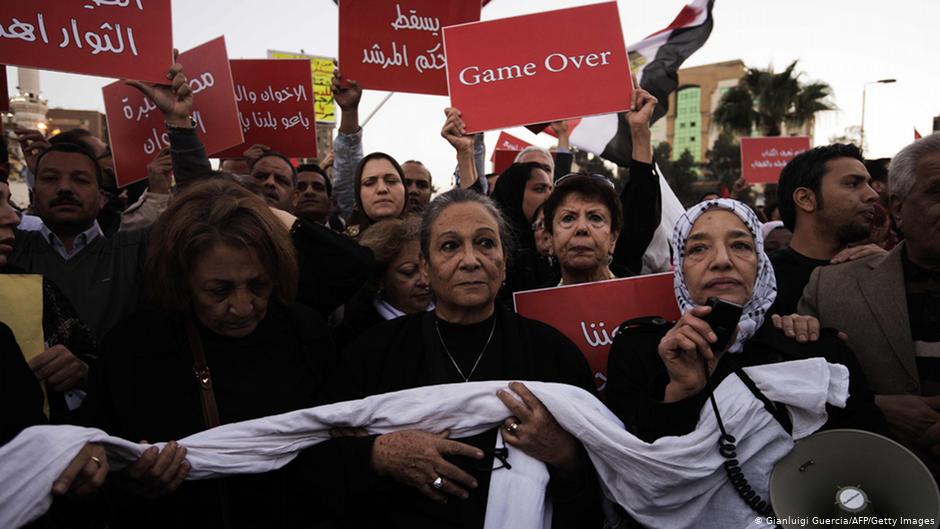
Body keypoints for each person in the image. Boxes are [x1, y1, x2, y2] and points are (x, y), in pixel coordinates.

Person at [80, 178, 345, 528]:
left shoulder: (304, 333)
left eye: (258, 284)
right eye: (219, 291)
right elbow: (91, 461)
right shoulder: (135, 347)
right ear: (181, 279)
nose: (243, 306)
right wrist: (130, 478)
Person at [334, 188, 602, 529]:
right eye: (450, 246)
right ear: (426, 268)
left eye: (486, 243)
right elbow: (323, 462)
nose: (471, 260)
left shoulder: (552, 354)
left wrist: (563, 454)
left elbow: (602, 474)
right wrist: (379, 454)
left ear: (504, 264)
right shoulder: (373, 353)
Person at [606, 197, 887, 443]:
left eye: (740, 245)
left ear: (760, 263)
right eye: (698, 249)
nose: (721, 261)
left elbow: (867, 459)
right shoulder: (639, 351)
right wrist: (680, 391)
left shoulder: (817, 350)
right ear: (680, 267)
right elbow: (634, 471)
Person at [799, 133, 940, 472]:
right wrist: (868, 406)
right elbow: (798, 389)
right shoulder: (830, 286)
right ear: (899, 208)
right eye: (937, 191)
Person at [1, 177, 98, 422]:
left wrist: (80, 370)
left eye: (8, 201)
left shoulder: (36, 289)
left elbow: (94, 364)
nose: (12, 218)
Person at [770, 143, 885, 315]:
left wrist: (892, 270)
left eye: (868, 184)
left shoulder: (879, 271)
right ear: (806, 199)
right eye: (853, 184)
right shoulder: (760, 279)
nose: (873, 195)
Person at [334, 216, 432, 349]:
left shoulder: (456, 313)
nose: (424, 280)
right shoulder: (358, 336)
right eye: (408, 272)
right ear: (379, 278)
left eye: (429, 268)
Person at [541, 174, 628, 285]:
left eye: (595, 218)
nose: (581, 228)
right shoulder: (533, 302)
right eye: (568, 218)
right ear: (549, 238)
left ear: (613, 239)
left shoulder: (645, 298)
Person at [344, 152, 407, 238]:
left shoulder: (426, 240)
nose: (382, 189)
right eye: (369, 183)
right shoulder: (341, 246)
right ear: (358, 194)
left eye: (391, 181)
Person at [293, 162, 342, 230]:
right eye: (300, 188)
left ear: (330, 203)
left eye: (318, 188)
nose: (309, 192)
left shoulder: (348, 238)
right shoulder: (274, 238)